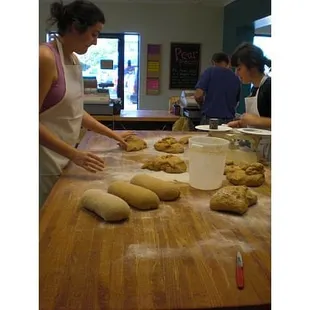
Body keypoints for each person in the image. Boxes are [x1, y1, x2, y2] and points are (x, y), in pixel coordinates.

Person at [39, 0, 133, 208]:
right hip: (43, 161)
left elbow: (75, 112)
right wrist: (75, 154)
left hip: (65, 157)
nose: (95, 42)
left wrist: (113, 134)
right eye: (94, 34)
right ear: (75, 27)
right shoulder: (45, 57)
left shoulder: (73, 60)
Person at [227, 42, 271, 161]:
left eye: (239, 68)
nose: (236, 73)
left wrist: (257, 120)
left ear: (253, 66)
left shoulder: (270, 86)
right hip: (260, 149)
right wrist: (244, 124)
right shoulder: (255, 89)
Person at [194, 52, 241, 125]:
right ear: (228, 62)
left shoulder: (209, 72)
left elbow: (198, 95)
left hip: (209, 119)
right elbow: (236, 102)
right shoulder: (236, 77)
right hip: (229, 121)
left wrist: (202, 105)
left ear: (213, 62)